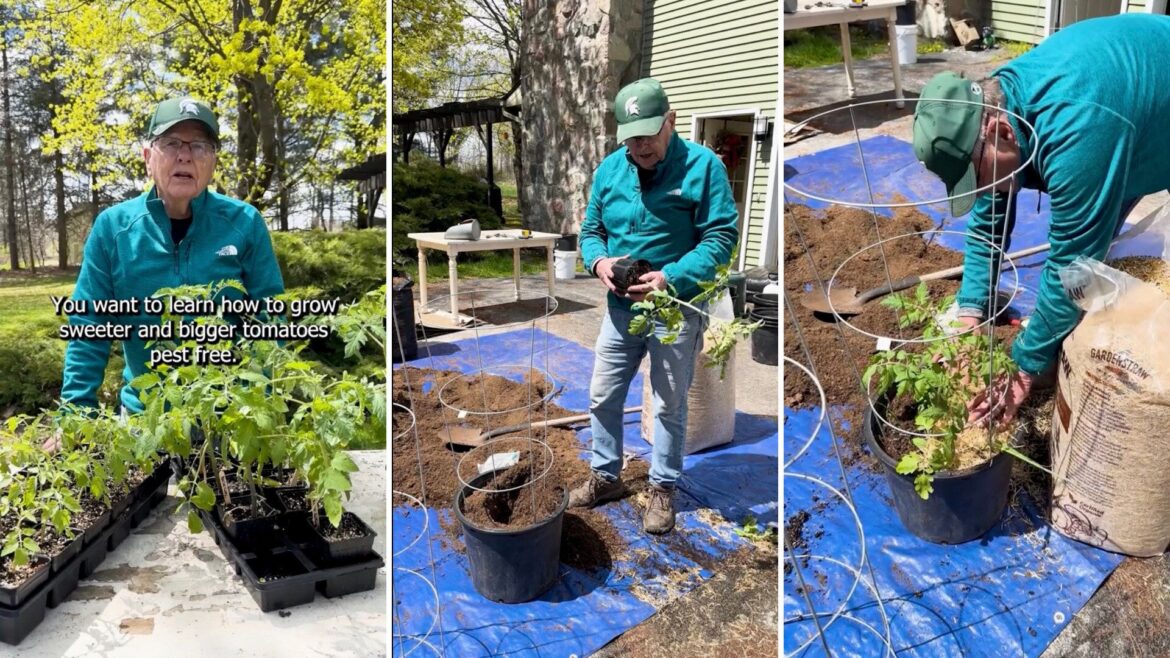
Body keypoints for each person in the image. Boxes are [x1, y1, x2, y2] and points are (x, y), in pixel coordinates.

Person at [911, 14, 1170, 427]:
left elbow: (1071, 262)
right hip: (1128, 104)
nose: (979, 190)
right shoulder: (992, 104)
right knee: (1089, 259)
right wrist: (970, 312)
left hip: (1138, 101)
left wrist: (1025, 366)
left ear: (1002, 133)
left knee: (1084, 262)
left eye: (975, 177)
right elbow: (986, 223)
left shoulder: (1077, 133)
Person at [573, 78, 739, 534]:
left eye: (649, 133)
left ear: (671, 121)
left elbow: (722, 238)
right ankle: (606, 477)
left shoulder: (703, 168)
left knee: (668, 403)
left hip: (673, 310)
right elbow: (590, 231)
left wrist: (671, 277)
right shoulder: (610, 170)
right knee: (602, 394)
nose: (641, 146)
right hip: (621, 309)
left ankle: (662, 486)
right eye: (632, 137)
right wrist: (599, 261)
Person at [61, 96, 285, 414]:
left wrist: (258, 403)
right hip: (146, 418)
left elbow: (269, 320)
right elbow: (89, 324)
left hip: (229, 415)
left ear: (213, 162)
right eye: (171, 143)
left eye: (199, 146)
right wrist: (76, 413)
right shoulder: (113, 228)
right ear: (148, 158)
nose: (185, 156)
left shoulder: (244, 223)